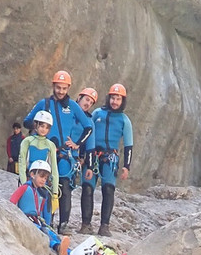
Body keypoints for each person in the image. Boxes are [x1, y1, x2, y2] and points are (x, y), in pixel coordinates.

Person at [23, 70, 93, 242]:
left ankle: (64, 223)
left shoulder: (73, 107)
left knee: (64, 188)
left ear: (68, 88)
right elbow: (26, 121)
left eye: (64, 88)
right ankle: (48, 221)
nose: (61, 91)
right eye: (58, 87)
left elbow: (88, 127)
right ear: (53, 86)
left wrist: (76, 143)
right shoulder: (44, 104)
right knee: (45, 186)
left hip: (64, 154)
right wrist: (38, 126)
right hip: (45, 152)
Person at [86, 84, 133, 237]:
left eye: (118, 99)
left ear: (122, 101)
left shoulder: (124, 120)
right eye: (113, 98)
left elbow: (128, 145)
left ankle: (104, 226)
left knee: (108, 189)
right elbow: (87, 132)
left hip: (110, 157)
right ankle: (85, 224)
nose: (114, 101)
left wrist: (126, 166)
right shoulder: (97, 113)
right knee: (87, 188)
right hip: (93, 154)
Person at [10, 160, 68, 255]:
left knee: (52, 233)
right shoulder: (24, 188)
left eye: (45, 178)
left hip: (37, 220)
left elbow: (41, 211)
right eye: (41, 176)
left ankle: (69, 253)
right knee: (44, 232)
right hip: (26, 219)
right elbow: (11, 202)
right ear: (32, 174)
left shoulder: (42, 193)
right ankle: (57, 247)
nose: (43, 180)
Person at [75, 87, 99, 236]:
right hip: (66, 154)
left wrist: (89, 165)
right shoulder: (69, 112)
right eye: (86, 99)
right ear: (79, 97)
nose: (88, 103)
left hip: (81, 158)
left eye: (90, 102)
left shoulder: (89, 120)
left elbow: (91, 144)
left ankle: (86, 224)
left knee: (87, 189)